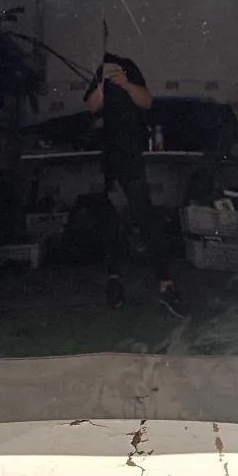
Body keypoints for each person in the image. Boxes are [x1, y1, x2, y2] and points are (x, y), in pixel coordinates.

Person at [84, 52, 186, 317]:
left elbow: (147, 101)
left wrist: (126, 83)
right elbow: (92, 107)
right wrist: (102, 84)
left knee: (145, 216)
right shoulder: (100, 73)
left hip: (131, 157)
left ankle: (165, 284)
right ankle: (114, 281)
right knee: (112, 219)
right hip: (110, 159)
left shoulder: (130, 69)